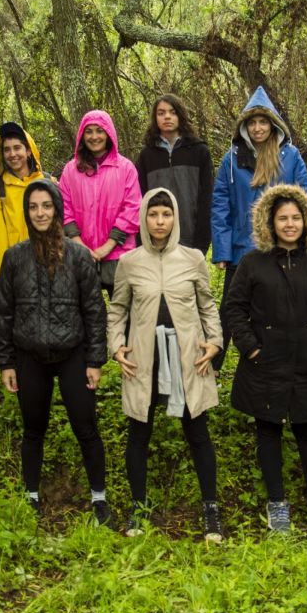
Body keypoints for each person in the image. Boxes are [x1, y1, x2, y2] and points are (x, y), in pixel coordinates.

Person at [223, 184, 307, 533]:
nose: (289, 224)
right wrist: (252, 348)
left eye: (295, 217)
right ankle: (277, 504)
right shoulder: (252, 263)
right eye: (282, 219)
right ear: (269, 222)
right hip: (266, 363)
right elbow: (234, 308)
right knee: (268, 432)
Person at [0, 179, 112, 526]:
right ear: (27, 213)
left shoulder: (78, 256)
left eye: (46, 205)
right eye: (33, 207)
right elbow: (4, 314)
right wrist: (6, 362)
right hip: (30, 356)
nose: (40, 212)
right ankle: (31, 495)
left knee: (86, 427)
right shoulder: (14, 257)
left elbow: (93, 310)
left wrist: (94, 359)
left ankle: (99, 497)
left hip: (72, 354)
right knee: (33, 429)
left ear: (57, 209)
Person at [107, 188, 224, 540]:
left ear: (175, 218)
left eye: (166, 214)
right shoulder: (130, 262)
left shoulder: (192, 259)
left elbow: (207, 305)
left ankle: (211, 510)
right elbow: (117, 310)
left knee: (197, 432)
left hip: (187, 358)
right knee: (139, 433)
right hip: (143, 359)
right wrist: (116, 347)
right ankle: (139, 510)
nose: (159, 221)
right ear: (143, 218)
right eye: (153, 214)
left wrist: (215, 341)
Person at [210, 86, 307, 372]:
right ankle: (213, 366)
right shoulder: (231, 159)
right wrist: (222, 250)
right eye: (252, 123)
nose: (257, 128)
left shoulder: (290, 157)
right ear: (244, 126)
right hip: (242, 249)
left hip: (281, 249)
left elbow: (304, 200)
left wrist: (300, 243)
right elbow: (220, 205)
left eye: (262, 122)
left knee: (276, 310)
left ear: (272, 124)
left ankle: (273, 364)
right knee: (231, 309)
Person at [58, 110, 141, 297]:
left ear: (109, 133)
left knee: (123, 315)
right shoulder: (71, 170)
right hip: (80, 253)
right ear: (81, 135)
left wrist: (107, 247)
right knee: (86, 315)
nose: (94, 136)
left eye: (99, 131)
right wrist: (81, 246)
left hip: (119, 253)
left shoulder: (126, 168)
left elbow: (132, 208)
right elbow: (64, 208)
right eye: (89, 131)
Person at [135, 94, 214, 254]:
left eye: (172, 112)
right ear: (155, 118)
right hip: (156, 241)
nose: (167, 117)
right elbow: (140, 201)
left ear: (180, 115)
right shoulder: (146, 155)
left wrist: (202, 242)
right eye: (161, 113)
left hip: (192, 240)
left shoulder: (199, 151)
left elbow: (207, 199)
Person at [0, 121, 48, 279]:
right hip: (16, 271)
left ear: (28, 151)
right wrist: (4, 274)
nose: (12, 154)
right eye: (7, 149)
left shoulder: (48, 182)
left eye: (17, 148)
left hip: (48, 267)